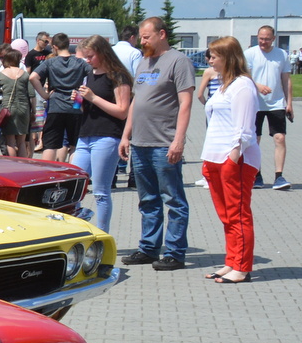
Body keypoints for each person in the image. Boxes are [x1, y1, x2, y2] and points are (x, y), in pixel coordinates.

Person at [119, 17, 194, 271]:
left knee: (173, 200)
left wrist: (178, 140)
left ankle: (174, 252)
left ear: (162, 34)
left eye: (147, 37)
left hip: (164, 143)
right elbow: (135, 102)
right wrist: (126, 135)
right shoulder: (144, 62)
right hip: (140, 143)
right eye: (141, 37)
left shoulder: (178, 62)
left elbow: (185, 103)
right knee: (147, 200)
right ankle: (149, 248)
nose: (142, 41)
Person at [198, 37, 259, 283]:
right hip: (215, 156)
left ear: (228, 57)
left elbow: (245, 129)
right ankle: (232, 261)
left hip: (235, 158)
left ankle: (241, 267)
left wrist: (233, 158)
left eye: (214, 57)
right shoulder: (224, 85)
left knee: (238, 213)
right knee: (226, 215)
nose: (210, 61)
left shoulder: (243, 85)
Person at [69, 36, 133, 232]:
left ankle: (103, 234)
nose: (88, 61)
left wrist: (93, 97)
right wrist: (80, 101)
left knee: (100, 191)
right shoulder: (90, 74)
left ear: (103, 53)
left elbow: (122, 111)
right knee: (74, 187)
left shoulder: (118, 76)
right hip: (85, 135)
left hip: (107, 136)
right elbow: (87, 108)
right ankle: (77, 230)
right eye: (86, 57)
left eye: (91, 56)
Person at [246, 25, 292, 189]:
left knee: (280, 138)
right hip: (255, 103)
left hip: (276, 103)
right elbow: (244, 77)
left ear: (273, 39)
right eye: (260, 38)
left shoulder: (282, 54)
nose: (263, 42)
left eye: (266, 39)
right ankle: (256, 175)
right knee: (255, 140)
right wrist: (257, 86)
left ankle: (279, 176)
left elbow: (286, 80)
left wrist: (289, 103)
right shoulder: (250, 54)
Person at [31, 32, 87, 162]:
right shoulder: (80, 62)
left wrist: (45, 95)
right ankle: (73, 171)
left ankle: (48, 171)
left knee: (50, 144)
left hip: (55, 105)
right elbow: (93, 73)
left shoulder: (50, 62)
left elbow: (33, 77)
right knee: (74, 145)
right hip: (75, 105)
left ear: (55, 47)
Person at [0, 48, 35, 156]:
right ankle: (22, 163)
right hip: (24, 108)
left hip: (8, 108)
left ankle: (13, 163)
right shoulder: (25, 74)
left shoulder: (0, 75)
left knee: (10, 141)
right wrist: (33, 111)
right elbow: (32, 95)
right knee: (21, 141)